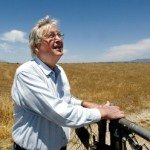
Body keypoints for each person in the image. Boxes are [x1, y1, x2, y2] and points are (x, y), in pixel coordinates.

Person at [11, 15, 125, 150]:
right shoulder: (27, 73)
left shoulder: (59, 70)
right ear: (36, 46)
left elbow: (64, 99)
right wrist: (102, 112)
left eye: (59, 35)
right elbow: (59, 112)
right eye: (51, 36)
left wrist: (85, 104)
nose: (58, 39)